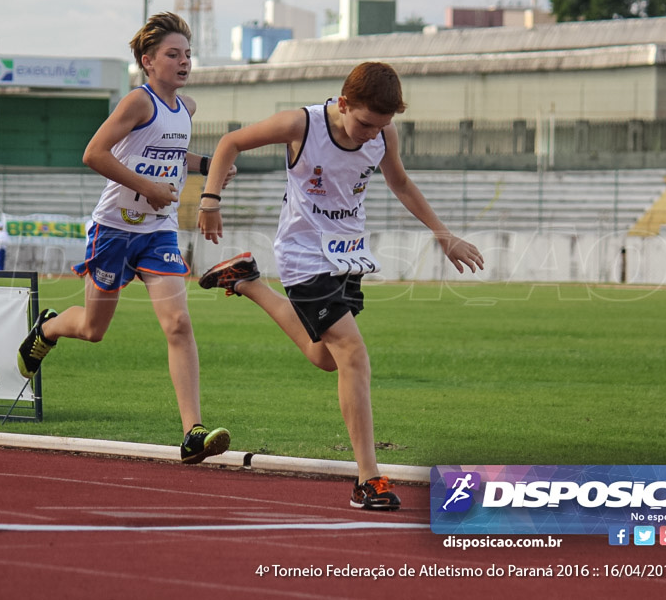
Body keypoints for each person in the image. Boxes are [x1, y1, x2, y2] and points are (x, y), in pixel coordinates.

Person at [196, 61, 485, 510]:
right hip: (302, 256)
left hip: (348, 257)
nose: (374, 134)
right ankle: (368, 479)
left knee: (325, 358)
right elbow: (231, 142)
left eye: (382, 126)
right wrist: (211, 199)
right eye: (367, 123)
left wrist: (444, 235)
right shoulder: (302, 124)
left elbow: (400, 182)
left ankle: (247, 281)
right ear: (344, 103)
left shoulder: (384, 134)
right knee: (353, 353)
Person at [16, 11, 235, 465]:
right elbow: (93, 153)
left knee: (178, 323)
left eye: (188, 54)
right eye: (173, 54)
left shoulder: (186, 108)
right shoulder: (138, 102)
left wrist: (210, 164)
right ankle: (49, 327)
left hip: (158, 232)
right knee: (94, 330)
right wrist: (147, 186)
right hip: (114, 230)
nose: (184, 62)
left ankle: (192, 431)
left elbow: (174, 153)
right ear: (147, 61)